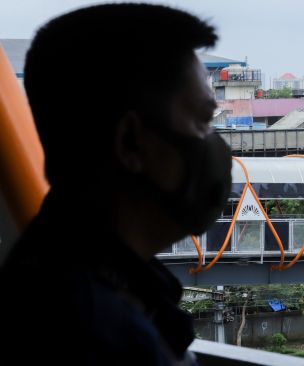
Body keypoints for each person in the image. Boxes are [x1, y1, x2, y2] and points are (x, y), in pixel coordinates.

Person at [0, 3, 232, 365]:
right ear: (131, 143)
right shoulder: (100, 334)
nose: (216, 144)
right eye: (203, 121)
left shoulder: (47, 281)